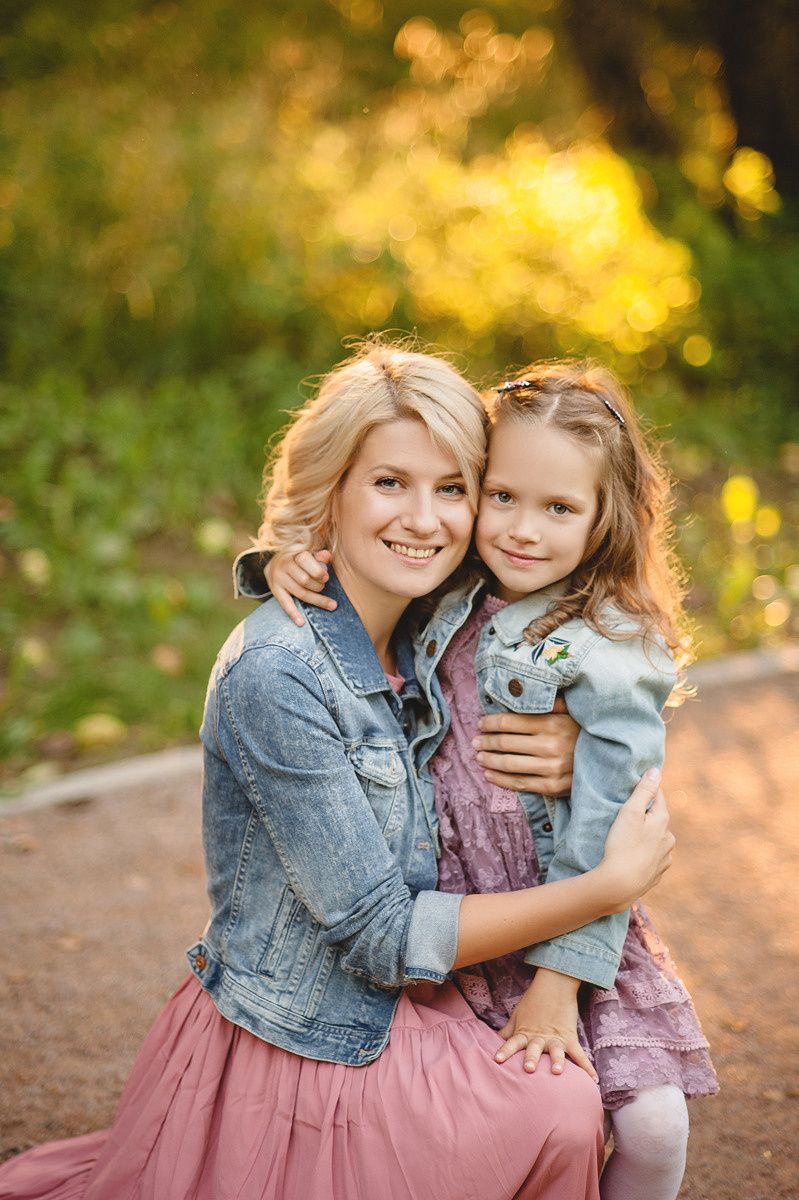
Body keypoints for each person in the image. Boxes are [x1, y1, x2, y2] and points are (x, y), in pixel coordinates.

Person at [0, 344, 675, 1200]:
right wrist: (604, 884)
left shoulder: (445, 611)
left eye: (454, 488)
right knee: (555, 1111)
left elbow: (606, 687)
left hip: (427, 993)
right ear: (333, 490)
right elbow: (379, 937)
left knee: (599, 1101)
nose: (426, 519)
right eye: (389, 482)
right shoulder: (276, 674)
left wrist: (579, 752)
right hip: (314, 1025)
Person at [259, 359, 718, 1200]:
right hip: (462, 911)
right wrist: (279, 564)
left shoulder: (609, 643)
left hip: (572, 919)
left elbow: (613, 819)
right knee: (489, 1117)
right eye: (500, 496)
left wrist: (558, 982)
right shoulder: (454, 583)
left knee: (652, 1124)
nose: (521, 530)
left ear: (602, 519)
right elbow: (365, 541)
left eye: (558, 509)